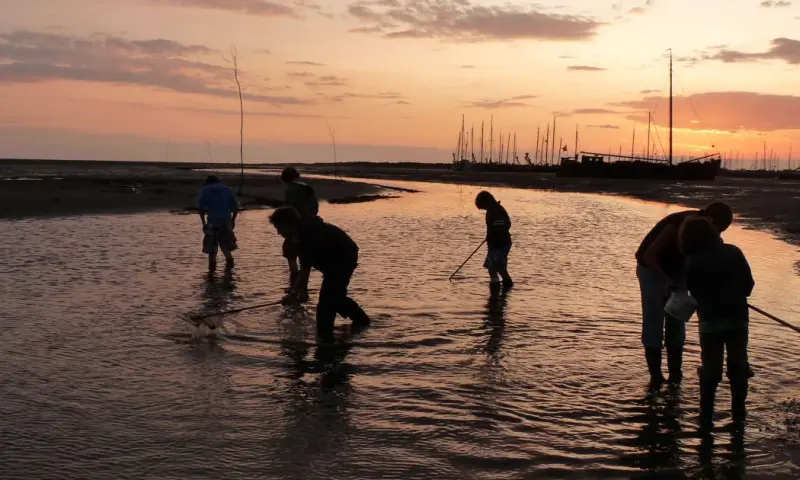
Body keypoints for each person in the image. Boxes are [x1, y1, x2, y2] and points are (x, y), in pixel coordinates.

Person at [635, 202, 733, 388]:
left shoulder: (706, 231)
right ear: (710, 219)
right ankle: (656, 376)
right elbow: (649, 255)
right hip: (651, 269)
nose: (719, 234)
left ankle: (675, 374)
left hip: (676, 271)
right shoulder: (678, 225)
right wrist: (665, 280)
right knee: (654, 320)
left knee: (676, 321)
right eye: (719, 229)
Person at [680, 217, 754, 428]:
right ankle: (739, 416)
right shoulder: (734, 252)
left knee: (711, 368)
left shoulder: (692, 260)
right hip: (737, 318)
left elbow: (689, 295)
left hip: (710, 321)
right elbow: (749, 285)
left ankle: (705, 417)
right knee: (738, 365)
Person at [269, 206, 370, 340]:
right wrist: (301, 292)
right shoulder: (298, 234)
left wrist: (293, 294)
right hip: (333, 260)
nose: (278, 233)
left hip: (343, 257)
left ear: (288, 224)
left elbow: (305, 271)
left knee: (326, 304)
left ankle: (325, 338)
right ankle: (362, 322)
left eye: (279, 228)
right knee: (335, 296)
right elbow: (301, 269)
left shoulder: (307, 235)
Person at [280, 167, 319, 299]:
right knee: (305, 259)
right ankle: (303, 291)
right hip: (310, 226)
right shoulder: (308, 188)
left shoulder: (290, 190)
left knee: (290, 254)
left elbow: (288, 210)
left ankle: (294, 287)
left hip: (296, 227)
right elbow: (315, 208)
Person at [197, 175, 240, 271]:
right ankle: (230, 272)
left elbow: (201, 209)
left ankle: (211, 275)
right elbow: (235, 207)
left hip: (212, 221)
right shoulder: (227, 189)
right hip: (225, 221)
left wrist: (203, 223)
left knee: (212, 251)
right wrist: (233, 220)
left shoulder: (205, 190)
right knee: (226, 248)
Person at [475, 191, 513, 289]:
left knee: (496, 268)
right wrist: (489, 237)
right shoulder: (491, 211)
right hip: (496, 244)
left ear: (487, 202)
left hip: (501, 244)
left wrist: (492, 235)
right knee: (496, 268)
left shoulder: (497, 211)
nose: (484, 209)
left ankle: (500, 288)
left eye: (483, 206)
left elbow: (503, 226)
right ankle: (500, 289)